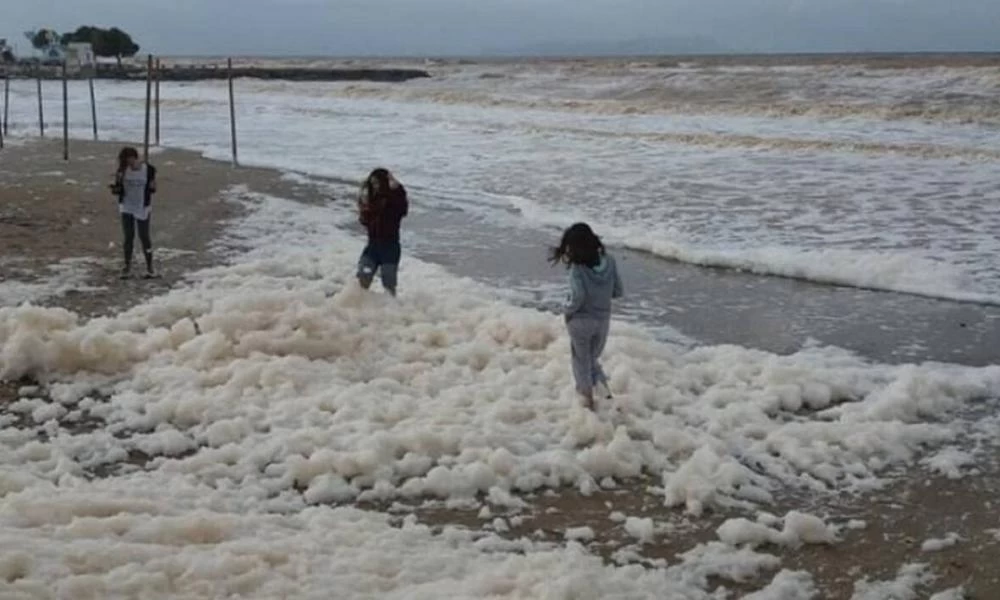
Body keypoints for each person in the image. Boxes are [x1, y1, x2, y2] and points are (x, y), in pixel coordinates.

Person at [550, 223, 624, 411]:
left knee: (581, 363)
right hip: (603, 321)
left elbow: (577, 297)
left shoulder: (578, 269)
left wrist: (566, 310)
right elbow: (618, 291)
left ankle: (587, 403)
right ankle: (606, 397)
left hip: (581, 321)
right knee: (592, 360)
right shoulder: (610, 261)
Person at [356, 168, 408, 295]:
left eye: (377, 183)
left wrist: (397, 188)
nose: (375, 186)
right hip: (372, 247)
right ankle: (358, 310)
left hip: (390, 248)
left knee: (388, 284)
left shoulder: (394, 202)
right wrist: (364, 208)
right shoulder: (371, 202)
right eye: (373, 183)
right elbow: (364, 221)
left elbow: (403, 208)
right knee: (363, 277)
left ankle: (391, 311)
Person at [110, 147, 158, 279]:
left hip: (142, 206)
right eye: (125, 160)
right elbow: (119, 189)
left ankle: (150, 267)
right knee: (128, 237)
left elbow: (153, 188)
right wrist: (115, 189)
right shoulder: (122, 171)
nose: (129, 163)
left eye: (130, 159)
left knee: (144, 237)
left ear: (135, 157)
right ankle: (127, 266)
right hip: (127, 206)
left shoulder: (148, 170)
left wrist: (152, 186)